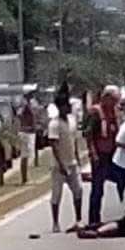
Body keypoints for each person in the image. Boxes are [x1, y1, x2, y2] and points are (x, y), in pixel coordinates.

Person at [82, 85, 122, 226]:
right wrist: (93, 153)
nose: (115, 103)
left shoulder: (115, 112)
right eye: (114, 100)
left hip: (113, 155)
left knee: (123, 181)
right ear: (105, 98)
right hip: (100, 155)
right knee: (97, 188)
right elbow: (88, 135)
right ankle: (94, 219)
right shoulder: (96, 112)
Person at [47, 93, 83, 233]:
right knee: (57, 194)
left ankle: (78, 220)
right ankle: (55, 223)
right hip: (58, 165)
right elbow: (54, 145)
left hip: (72, 163)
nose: (68, 108)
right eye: (65, 105)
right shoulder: (54, 124)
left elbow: (74, 140)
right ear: (59, 107)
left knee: (78, 190)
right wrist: (61, 165)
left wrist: (78, 159)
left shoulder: (72, 120)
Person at [17, 91, 40, 185]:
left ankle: (28, 177)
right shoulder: (23, 105)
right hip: (25, 133)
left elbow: (35, 114)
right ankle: (25, 178)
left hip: (30, 132)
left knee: (30, 156)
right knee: (26, 156)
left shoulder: (32, 103)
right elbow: (19, 114)